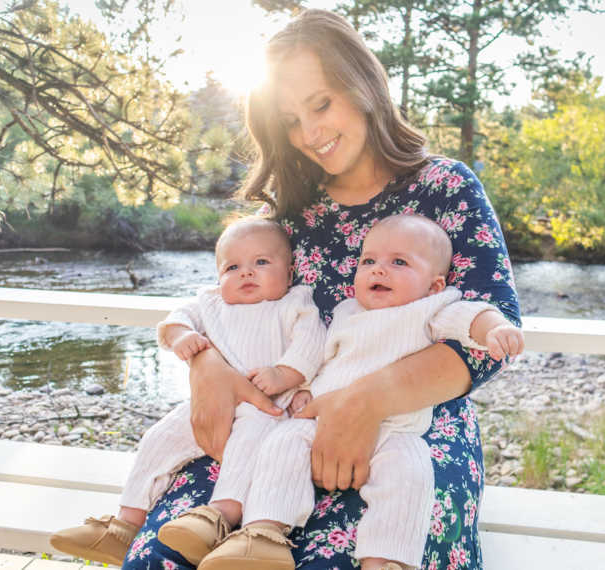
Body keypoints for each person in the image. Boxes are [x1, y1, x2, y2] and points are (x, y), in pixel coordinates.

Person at [124, 8, 521, 569]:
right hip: (278, 418)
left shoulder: (445, 188)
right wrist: (206, 366)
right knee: (162, 560)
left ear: (362, 87)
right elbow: (232, 303)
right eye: (290, 120)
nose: (309, 134)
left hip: (411, 426)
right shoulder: (289, 209)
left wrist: (363, 402)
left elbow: (488, 333)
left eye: (321, 104)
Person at [158, 214, 523, 570]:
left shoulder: (432, 309)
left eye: (399, 262)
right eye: (369, 261)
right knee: (282, 444)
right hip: (322, 417)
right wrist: (304, 391)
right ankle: (264, 531)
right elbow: (323, 360)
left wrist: (494, 329)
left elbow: (472, 315)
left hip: (396, 427)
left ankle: (385, 558)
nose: (379, 270)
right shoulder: (348, 311)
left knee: (411, 471)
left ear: (434, 285)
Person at [50, 217, 325, 566]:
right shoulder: (211, 304)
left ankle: (219, 515)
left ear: (288, 274)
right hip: (210, 406)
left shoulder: (294, 303)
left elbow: (311, 344)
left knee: (249, 440)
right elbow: (175, 319)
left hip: (268, 407)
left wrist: (285, 373)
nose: (246, 273)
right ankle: (124, 524)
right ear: (218, 277)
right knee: (159, 437)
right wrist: (182, 337)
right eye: (232, 267)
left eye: (261, 263)